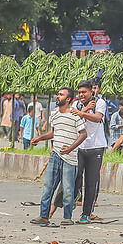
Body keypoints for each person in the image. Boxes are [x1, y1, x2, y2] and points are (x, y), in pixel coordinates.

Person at [29, 87, 87, 226]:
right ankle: (44, 216)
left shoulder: (75, 114)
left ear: (68, 99)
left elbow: (83, 134)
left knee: (68, 190)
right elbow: (53, 133)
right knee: (48, 187)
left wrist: (71, 148)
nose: (58, 96)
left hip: (70, 158)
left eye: (61, 95)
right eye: (58, 94)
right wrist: (40, 138)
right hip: (56, 155)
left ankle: (67, 217)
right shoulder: (54, 114)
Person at [71, 80, 108, 222]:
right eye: (79, 92)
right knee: (76, 175)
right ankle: (76, 195)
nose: (81, 95)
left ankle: (86, 213)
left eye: (84, 92)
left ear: (91, 91)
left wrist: (82, 113)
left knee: (91, 182)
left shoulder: (100, 103)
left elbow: (98, 118)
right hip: (79, 146)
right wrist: (84, 111)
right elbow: (73, 118)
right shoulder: (76, 104)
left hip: (96, 146)